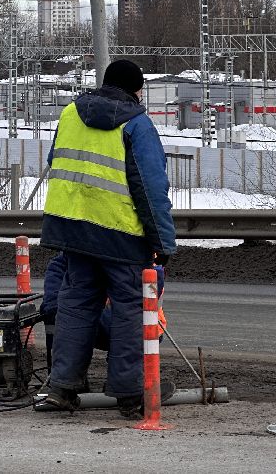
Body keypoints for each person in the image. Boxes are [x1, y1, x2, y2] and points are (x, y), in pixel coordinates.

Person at [33, 59, 176, 419]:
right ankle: (129, 394)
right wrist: (162, 241)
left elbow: (57, 162)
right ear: (137, 89)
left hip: (73, 229)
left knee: (76, 304)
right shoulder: (137, 124)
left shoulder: (69, 114)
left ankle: (62, 387)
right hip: (120, 234)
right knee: (131, 310)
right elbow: (150, 187)